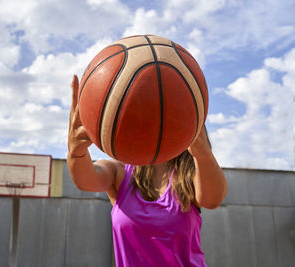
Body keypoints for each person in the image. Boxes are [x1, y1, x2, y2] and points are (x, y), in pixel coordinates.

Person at [67, 74, 228, 267]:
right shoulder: (120, 171)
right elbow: (85, 180)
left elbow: (212, 199)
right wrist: (76, 151)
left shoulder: (189, 173)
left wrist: (204, 156)